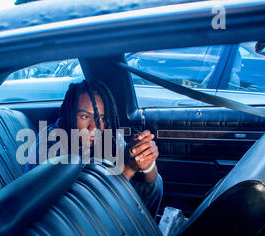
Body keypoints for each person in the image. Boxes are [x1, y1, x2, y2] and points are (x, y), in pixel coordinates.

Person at [24, 79, 163, 218]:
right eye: (85, 116)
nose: (94, 127)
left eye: (101, 118)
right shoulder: (50, 146)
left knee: (153, 184)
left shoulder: (105, 133)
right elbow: (79, 209)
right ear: (68, 113)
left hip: (95, 204)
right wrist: (128, 169)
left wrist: (145, 160)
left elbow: (151, 180)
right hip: (61, 222)